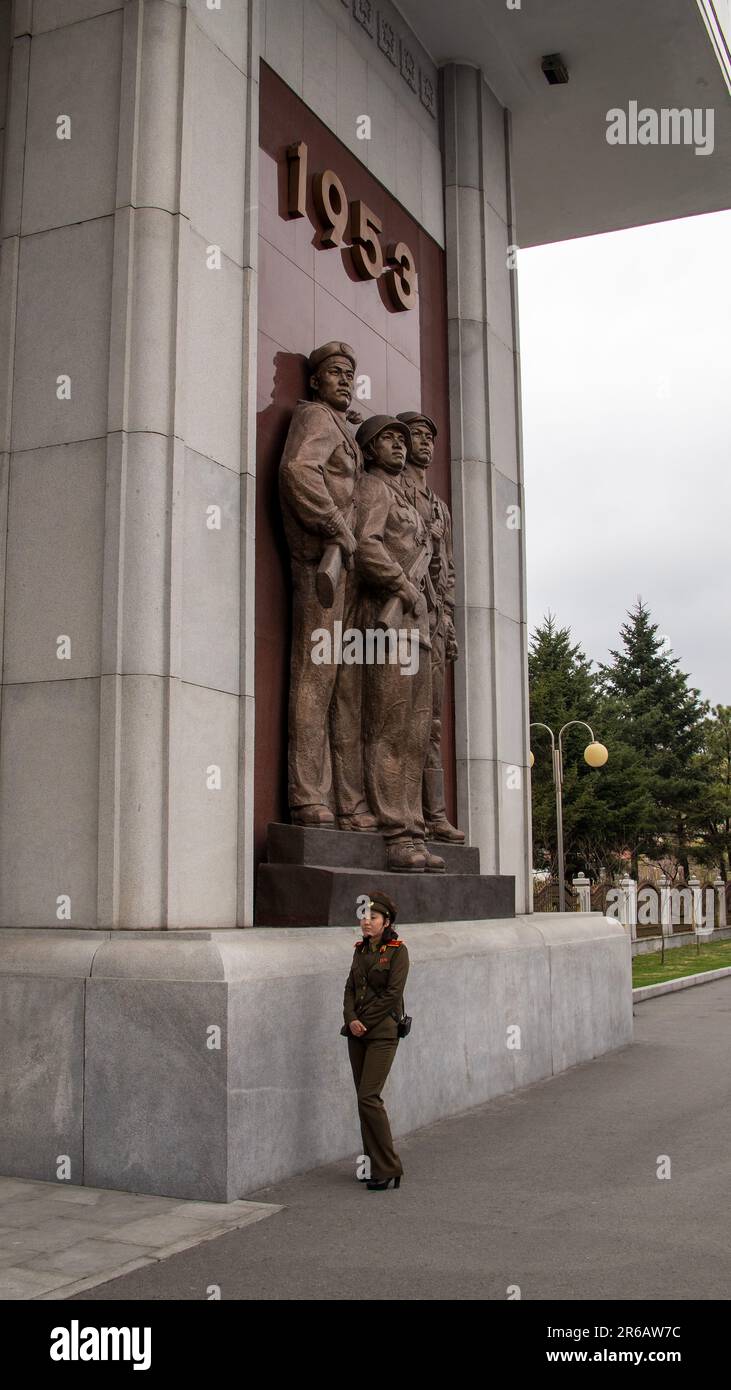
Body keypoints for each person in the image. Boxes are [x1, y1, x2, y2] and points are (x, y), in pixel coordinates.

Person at [278, 341, 377, 831]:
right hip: (321, 562)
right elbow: (298, 471)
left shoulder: (345, 428)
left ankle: (347, 801)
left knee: (342, 685)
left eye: (349, 373)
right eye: (335, 372)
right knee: (316, 679)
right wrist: (335, 524)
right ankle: (307, 795)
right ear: (315, 380)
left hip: (349, 569)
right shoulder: (315, 417)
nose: (344, 380)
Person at [353, 415, 444, 873]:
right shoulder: (371, 488)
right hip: (387, 625)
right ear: (370, 449)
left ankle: (414, 826)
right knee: (389, 730)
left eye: (402, 441)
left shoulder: (408, 497)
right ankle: (395, 830)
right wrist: (400, 585)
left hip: (419, 628)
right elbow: (365, 543)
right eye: (389, 439)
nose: (400, 446)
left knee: (413, 733)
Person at [396, 411, 464, 842]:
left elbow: (449, 571)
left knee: (433, 724)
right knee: (405, 720)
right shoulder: (392, 491)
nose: (425, 443)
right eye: (417, 435)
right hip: (402, 618)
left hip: (435, 620)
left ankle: (433, 814)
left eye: (429, 437)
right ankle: (406, 816)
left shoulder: (440, 506)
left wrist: (450, 622)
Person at [343, 892, 409, 1190]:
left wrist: (364, 1021)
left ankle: (388, 1165)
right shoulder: (360, 950)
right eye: (364, 916)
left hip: (382, 1032)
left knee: (369, 1097)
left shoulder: (397, 951)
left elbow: (392, 994)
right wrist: (350, 1018)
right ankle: (372, 1164)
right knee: (363, 1100)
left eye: (373, 918)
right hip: (356, 1033)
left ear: (387, 922)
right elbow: (349, 989)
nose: (366, 922)